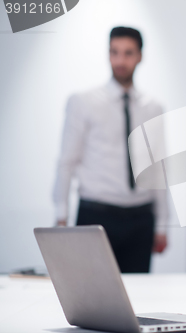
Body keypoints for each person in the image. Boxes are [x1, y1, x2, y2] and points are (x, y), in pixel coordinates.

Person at [53, 27, 168, 273]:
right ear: (108, 54)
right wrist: (61, 216)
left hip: (140, 218)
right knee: (92, 296)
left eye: (128, 53)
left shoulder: (153, 108)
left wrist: (162, 225)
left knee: (138, 298)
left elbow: (159, 168)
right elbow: (67, 161)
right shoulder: (83, 102)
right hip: (96, 215)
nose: (120, 60)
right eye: (114, 52)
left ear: (140, 56)